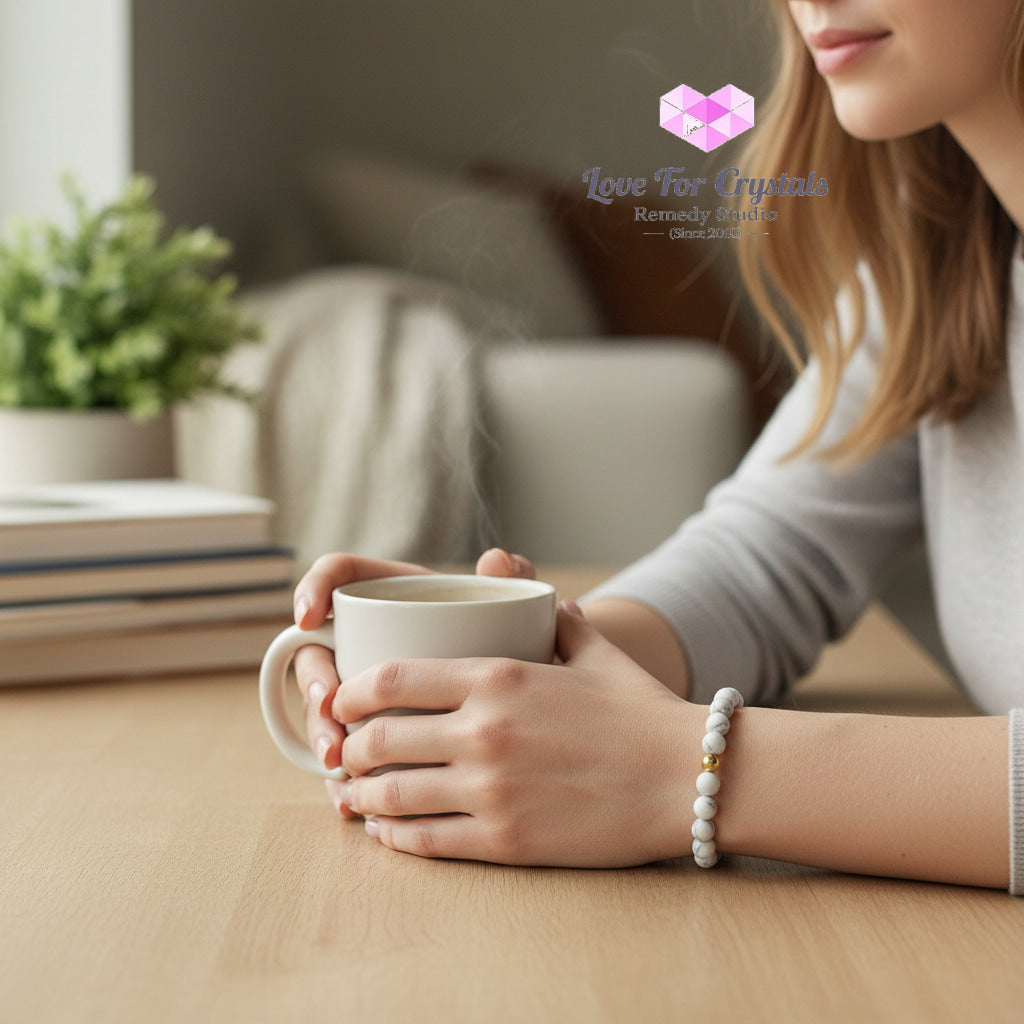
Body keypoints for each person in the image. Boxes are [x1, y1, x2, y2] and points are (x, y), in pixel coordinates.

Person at [291, 0, 1023, 893]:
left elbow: (696, 731)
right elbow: (768, 561)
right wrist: (516, 663)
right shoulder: (944, 260)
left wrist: (686, 771)